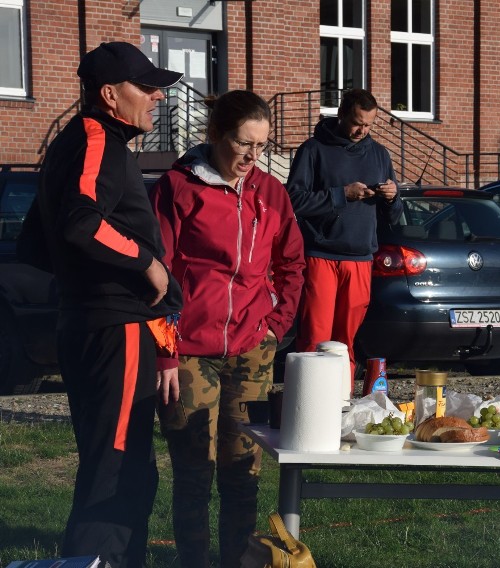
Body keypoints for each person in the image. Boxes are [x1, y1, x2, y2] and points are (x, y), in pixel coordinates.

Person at [15, 41, 184, 567]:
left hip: (99, 322)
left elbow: (34, 244)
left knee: (116, 463)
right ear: (110, 94)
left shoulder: (86, 142)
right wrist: (145, 263)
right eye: (147, 87)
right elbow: (81, 223)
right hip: (114, 329)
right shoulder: (94, 139)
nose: (157, 98)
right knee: (118, 465)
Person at [149, 90, 305, 566]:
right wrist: (166, 353)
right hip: (189, 352)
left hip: (251, 351)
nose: (252, 157)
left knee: (244, 468)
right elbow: (157, 276)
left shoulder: (270, 191)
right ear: (215, 134)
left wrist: (274, 325)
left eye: (262, 146)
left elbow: (292, 263)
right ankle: (193, 560)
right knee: (195, 471)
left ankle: (239, 558)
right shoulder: (175, 189)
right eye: (243, 144)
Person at [285, 88, 402, 390]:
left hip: (361, 258)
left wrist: (392, 197)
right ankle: (308, 407)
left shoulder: (379, 154)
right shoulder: (312, 149)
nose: (362, 131)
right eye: (356, 123)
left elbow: (392, 216)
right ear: (341, 115)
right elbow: (293, 200)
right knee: (315, 338)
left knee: (345, 341)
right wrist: (341, 195)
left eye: (368, 125)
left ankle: (342, 402)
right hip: (321, 255)